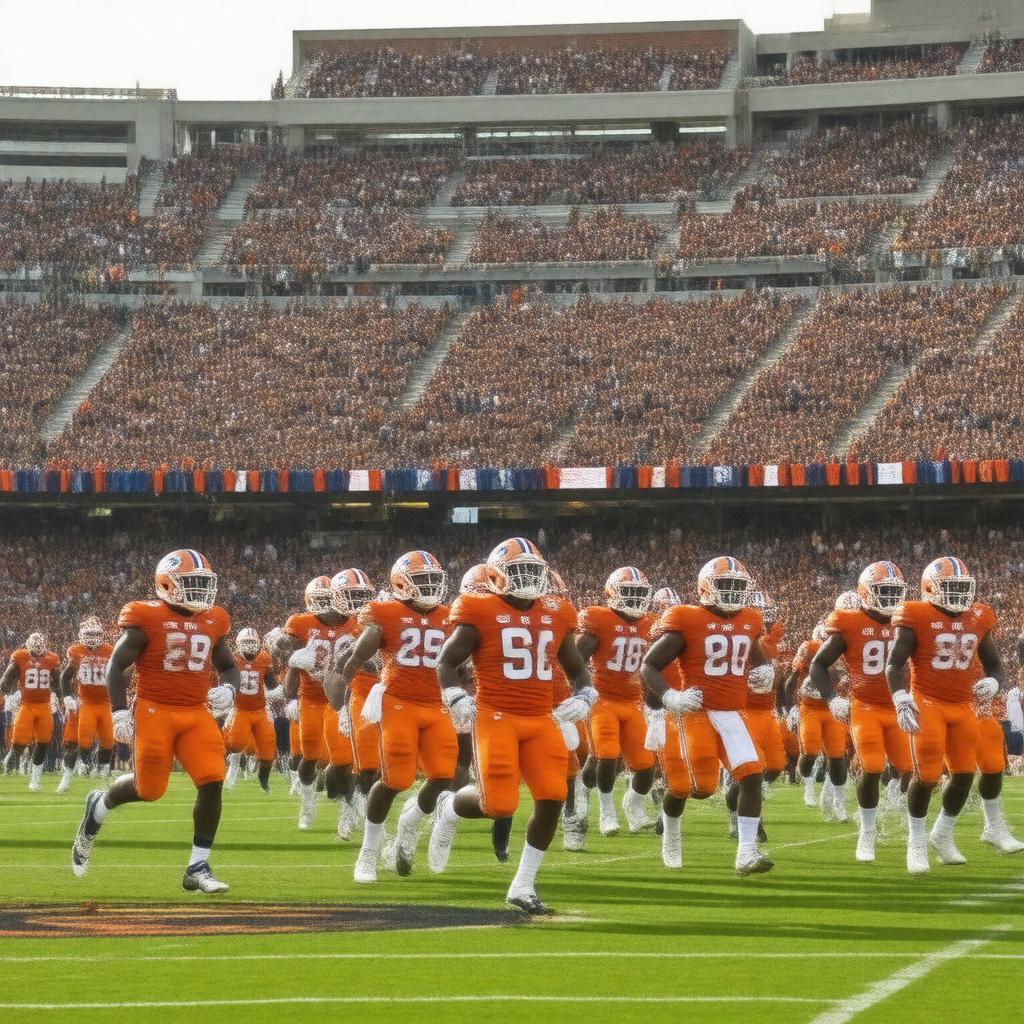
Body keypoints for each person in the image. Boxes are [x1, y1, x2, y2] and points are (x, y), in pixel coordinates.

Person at [427, 538, 595, 914]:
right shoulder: (479, 608)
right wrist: (454, 695)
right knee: (498, 805)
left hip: (541, 718)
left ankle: (523, 885)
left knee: (553, 796)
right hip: (495, 716)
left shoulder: (556, 613)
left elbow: (577, 669)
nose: (529, 580)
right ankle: (448, 806)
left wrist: (585, 695)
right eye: (520, 572)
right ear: (495, 577)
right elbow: (446, 662)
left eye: (534, 572)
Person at [70, 549, 238, 892]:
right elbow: (115, 665)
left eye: (203, 583)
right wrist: (119, 711)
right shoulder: (146, 615)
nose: (200, 591)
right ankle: (99, 805)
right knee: (149, 790)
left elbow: (229, 666)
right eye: (191, 582)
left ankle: (197, 866)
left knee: (212, 779)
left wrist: (230, 689)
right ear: (166, 583)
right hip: (154, 710)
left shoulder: (214, 619)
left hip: (196, 712)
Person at [886, 556, 1023, 874]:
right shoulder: (916, 614)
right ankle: (916, 843)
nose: (959, 594)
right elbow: (894, 664)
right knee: (927, 776)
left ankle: (942, 833)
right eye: (951, 587)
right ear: (930, 588)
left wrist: (994, 681)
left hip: (962, 705)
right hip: (928, 702)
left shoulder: (978, 616)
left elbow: (994, 664)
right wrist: (901, 698)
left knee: (964, 774)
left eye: (962, 587)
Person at [641, 557, 774, 875]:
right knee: (694, 788)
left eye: (737, 585)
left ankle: (746, 853)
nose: (731, 591)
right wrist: (670, 696)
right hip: (695, 712)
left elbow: (757, 657)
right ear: (706, 587)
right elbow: (649, 665)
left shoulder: (750, 619)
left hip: (732, 713)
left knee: (752, 775)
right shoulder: (687, 618)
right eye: (724, 584)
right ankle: (670, 830)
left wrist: (765, 671)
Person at [329, 551, 455, 883]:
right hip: (398, 703)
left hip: (436, 704)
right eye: (422, 579)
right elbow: (359, 653)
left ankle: (409, 822)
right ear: (401, 583)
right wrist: (344, 683)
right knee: (395, 779)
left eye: (433, 579)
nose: (430, 586)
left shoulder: (449, 615)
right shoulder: (385, 612)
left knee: (444, 776)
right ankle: (368, 851)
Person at [810, 562, 912, 862]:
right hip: (865, 706)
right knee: (871, 767)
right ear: (866, 592)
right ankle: (867, 832)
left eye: (895, 592)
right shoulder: (849, 622)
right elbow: (818, 664)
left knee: (917, 772)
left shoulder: (907, 621)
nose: (891, 598)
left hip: (899, 704)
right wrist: (831, 698)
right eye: (884, 591)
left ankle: (900, 806)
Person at [576, 567, 657, 836]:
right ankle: (607, 813)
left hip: (633, 701)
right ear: (612, 593)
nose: (634, 598)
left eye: (639, 593)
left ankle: (633, 806)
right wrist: (580, 691)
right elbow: (575, 659)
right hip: (603, 699)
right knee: (607, 755)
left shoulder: (649, 623)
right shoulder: (600, 619)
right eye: (628, 592)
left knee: (646, 764)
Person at [278, 576, 358, 834]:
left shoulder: (355, 622)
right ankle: (308, 801)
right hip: (311, 699)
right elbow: (282, 649)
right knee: (310, 757)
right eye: (322, 600)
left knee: (343, 760)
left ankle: (346, 810)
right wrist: (291, 660)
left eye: (331, 599)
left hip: (340, 700)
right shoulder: (300, 623)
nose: (328, 606)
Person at [788, 623, 849, 821]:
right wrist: (791, 707)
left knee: (838, 755)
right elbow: (791, 680)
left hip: (834, 708)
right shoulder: (809, 649)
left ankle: (839, 803)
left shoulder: (847, 648)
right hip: (810, 708)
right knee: (810, 750)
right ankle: (808, 785)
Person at [0, 633, 61, 793]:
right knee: (19, 742)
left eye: (41, 643)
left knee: (43, 742)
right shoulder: (20, 657)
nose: (38, 646)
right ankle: (11, 759)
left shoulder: (52, 659)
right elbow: (6, 679)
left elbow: (58, 682)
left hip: (44, 706)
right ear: (28, 644)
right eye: (35, 643)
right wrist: (9, 692)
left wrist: (57, 694)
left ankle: (35, 780)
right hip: (26, 705)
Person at [61, 617, 115, 787]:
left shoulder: (109, 650)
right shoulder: (76, 651)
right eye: (89, 634)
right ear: (82, 635)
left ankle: (103, 770)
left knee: (108, 741)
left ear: (101, 635)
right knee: (84, 741)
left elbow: (117, 674)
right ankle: (80, 765)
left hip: (105, 703)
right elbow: (65, 677)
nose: (92, 638)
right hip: (86, 703)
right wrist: (67, 696)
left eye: (95, 634)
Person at [225, 627, 281, 792]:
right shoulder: (232, 660)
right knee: (236, 744)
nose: (249, 646)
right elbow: (226, 682)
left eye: (252, 642)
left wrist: (282, 692)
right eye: (246, 642)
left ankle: (263, 778)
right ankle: (233, 766)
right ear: (238, 644)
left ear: (258, 643)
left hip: (260, 711)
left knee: (268, 752)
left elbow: (272, 684)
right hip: (240, 709)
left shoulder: (264, 658)